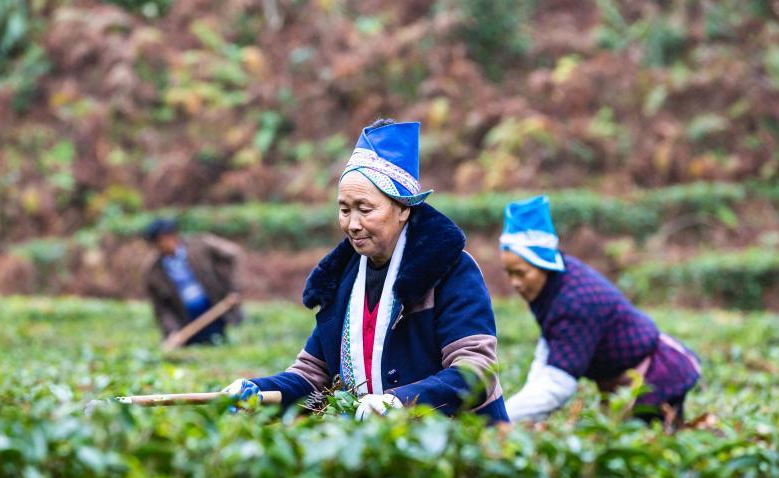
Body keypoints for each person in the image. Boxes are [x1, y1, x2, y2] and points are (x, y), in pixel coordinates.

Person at [223, 119, 508, 422]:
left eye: (365, 209)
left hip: (461, 437)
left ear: (403, 209)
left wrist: (398, 403)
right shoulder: (341, 280)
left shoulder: (450, 270)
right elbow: (312, 374)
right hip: (382, 441)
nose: (352, 224)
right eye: (344, 210)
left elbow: (476, 371)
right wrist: (258, 389)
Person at [500, 195, 701, 424]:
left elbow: (557, 385)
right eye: (509, 273)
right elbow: (549, 349)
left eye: (521, 273)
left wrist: (500, 420)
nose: (514, 283)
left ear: (543, 264)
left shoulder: (574, 301)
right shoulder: (556, 283)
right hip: (623, 383)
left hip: (655, 380)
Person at [144, 218, 244, 346]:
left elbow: (233, 254)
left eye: (161, 241)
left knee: (217, 341)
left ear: (172, 236)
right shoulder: (154, 272)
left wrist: (233, 288)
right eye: (155, 244)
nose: (160, 247)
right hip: (187, 320)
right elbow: (162, 309)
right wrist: (172, 331)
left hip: (215, 311)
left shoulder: (201, 245)